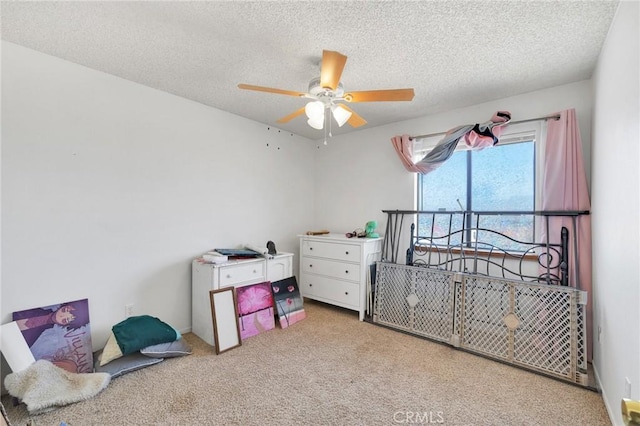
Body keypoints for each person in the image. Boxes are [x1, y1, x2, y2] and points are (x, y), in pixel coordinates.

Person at [13, 301, 90, 347]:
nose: (61, 316)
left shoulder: (38, 336)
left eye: (66, 320)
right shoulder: (33, 308)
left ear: (67, 325)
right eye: (64, 310)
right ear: (62, 306)